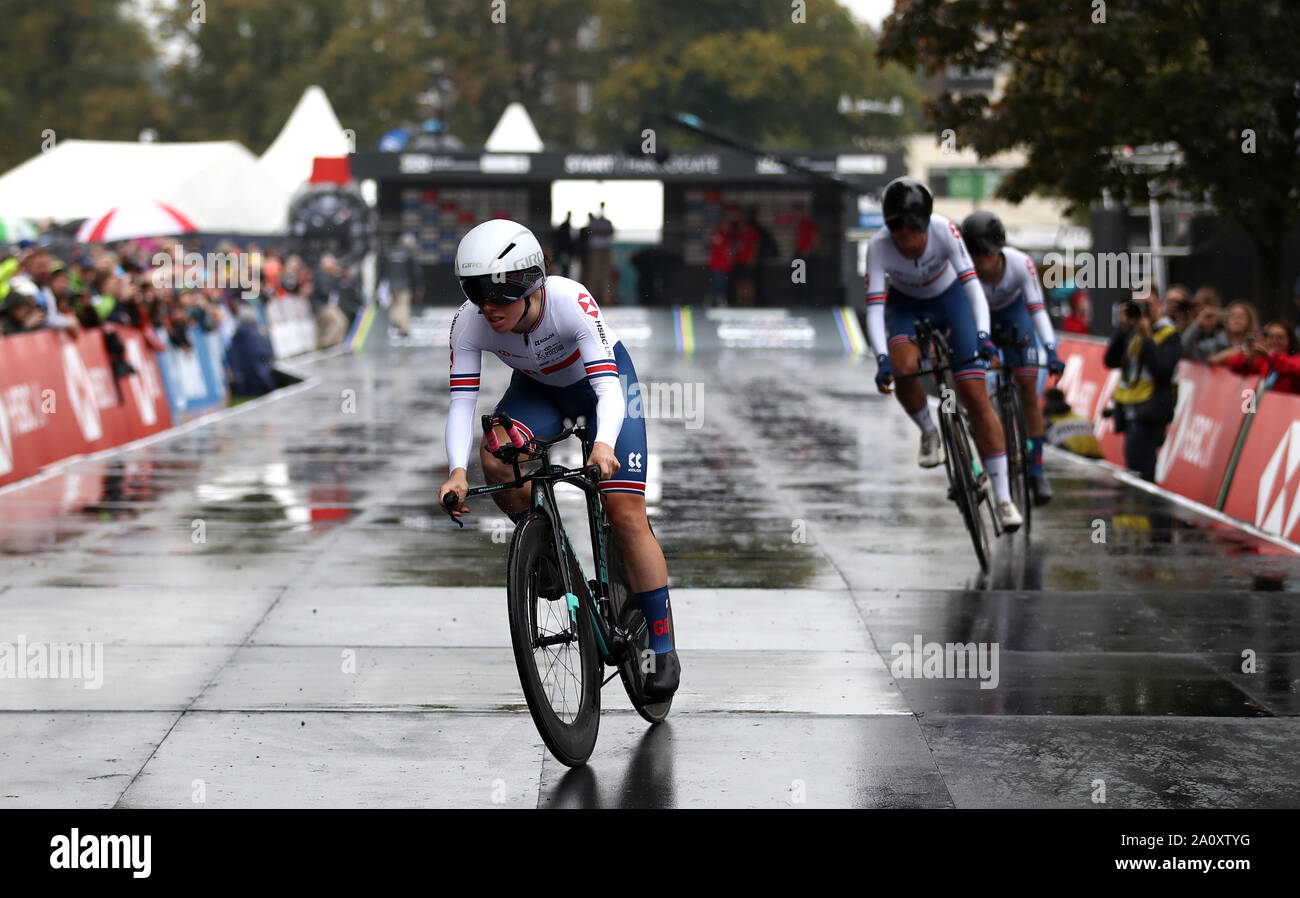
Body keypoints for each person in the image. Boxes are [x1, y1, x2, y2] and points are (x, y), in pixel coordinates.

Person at [437, 219, 680, 699]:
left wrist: (605, 443)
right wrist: (456, 471)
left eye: (499, 296)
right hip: (539, 393)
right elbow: (462, 400)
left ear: (531, 284)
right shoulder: (468, 322)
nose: (488, 308)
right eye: (476, 294)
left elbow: (608, 387)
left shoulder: (570, 301)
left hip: (601, 391)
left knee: (625, 513)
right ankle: (545, 549)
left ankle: (663, 645)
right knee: (496, 454)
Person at [867, 177, 1023, 530]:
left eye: (913, 233)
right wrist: (881, 359)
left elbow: (973, 289)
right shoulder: (877, 247)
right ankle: (928, 430)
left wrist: (983, 336)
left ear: (925, 226)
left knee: (974, 395)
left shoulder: (946, 232)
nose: (906, 241)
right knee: (903, 367)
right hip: (905, 305)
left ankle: (1003, 497)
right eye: (899, 234)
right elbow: (875, 309)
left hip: (950, 299)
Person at [961, 210, 1065, 505]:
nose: (981, 262)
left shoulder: (1021, 264)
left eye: (987, 254)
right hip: (978, 321)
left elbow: (1037, 309)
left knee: (1029, 390)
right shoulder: (963, 269)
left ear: (999, 250)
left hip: (1013, 316)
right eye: (975, 254)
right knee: (972, 389)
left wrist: (1050, 349)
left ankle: (1036, 468)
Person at [1103, 290, 1182, 481]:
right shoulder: (1132, 332)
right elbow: (1111, 360)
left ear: (1158, 305)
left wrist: (1148, 338)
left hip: (1151, 410)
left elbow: (1162, 370)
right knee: (1133, 464)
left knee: (1141, 467)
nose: (1141, 311)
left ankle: (1145, 509)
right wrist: (1122, 330)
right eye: (1137, 306)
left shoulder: (1168, 334)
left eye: (1147, 305)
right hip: (1131, 406)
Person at [1223, 320, 1300, 394]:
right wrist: (1247, 358)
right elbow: (1234, 365)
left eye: (1280, 337)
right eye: (1270, 337)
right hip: (1263, 406)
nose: (1274, 341)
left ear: (1290, 340)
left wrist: (1271, 355)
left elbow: (1293, 368)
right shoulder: (1265, 361)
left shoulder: (1295, 359)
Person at [225, 305, 277, 397]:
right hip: (261, 378)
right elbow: (267, 353)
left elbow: (230, 355)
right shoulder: (256, 334)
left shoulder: (235, 337)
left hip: (245, 380)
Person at [1043, 388, 1105, 458]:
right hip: (1097, 461)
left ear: (1046, 401)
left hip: (1070, 460)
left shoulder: (1047, 422)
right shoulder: (1084, 419)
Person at [383, 234, 421, 337]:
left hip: (392, 283)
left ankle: (395, 321)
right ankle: (403, 328)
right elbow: (415, 271)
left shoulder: (391, 253)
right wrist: (418, 284)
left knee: (395, 303)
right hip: (404, 283)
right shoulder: (409, 254)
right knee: (404, 304)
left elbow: (383, 268)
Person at [1204, 301, 1259, 366]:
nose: (1237, 319)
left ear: (1249, 321)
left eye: (1241, 316)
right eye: (1233, 316)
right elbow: (1211, 361)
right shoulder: (1216, 342)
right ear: (1227, 321)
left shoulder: (1256, 343)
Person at [586, 203, 615, 305]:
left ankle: (605, 299)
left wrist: (599, 232)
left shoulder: (605, 222)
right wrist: (602, 232)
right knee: (594, 275)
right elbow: (592, 232)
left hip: (603, 250)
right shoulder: (597, 222)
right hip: (596, 250)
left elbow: (609, 232)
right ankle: (594, 298)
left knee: (604, 275)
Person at [552, 212, 575, 277]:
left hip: (564, 250)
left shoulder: (565, 226)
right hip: (565, 250)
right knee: (565, 268)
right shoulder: (567, 226)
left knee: (564, 267)